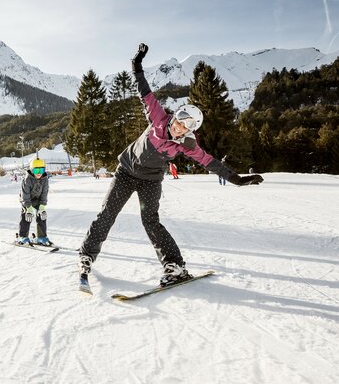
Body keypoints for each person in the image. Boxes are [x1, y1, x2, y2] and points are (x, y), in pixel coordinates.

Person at [78, 43, 264, 287]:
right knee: (108, 213)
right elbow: (144, 92)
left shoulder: (187, 144)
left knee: (150, 221)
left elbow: (210, 162)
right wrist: (137, 65)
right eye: (179, 120)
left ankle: (174, 265)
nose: (179, 126)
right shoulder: (158, 118)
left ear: (191, 130)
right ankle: (87, 256)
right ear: (174, 116)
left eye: (186, 125)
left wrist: (237, 179)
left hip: (151, 180)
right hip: (126, 172)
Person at [16, 158, 51, 246]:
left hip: (38, 200)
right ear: (32, 170)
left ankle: (41, 237)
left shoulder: (45, 179)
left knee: (42, 215)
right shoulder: (27, 179)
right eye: (36, 170)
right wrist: (28, 207)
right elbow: (25, 194)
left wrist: (42, 206)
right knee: (27, 215)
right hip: (26, 200)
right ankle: (22, 236)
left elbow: (44, 193)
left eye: (41, 170)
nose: (39, 173)